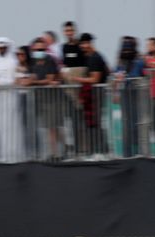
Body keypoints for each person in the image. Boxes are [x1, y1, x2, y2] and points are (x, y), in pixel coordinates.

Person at [71, 33, 109, 159]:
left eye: (85, 43)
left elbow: (95, 79)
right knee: (92, 124)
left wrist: (78, 79)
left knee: (95, 123)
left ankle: (101, 152)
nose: (83, 46)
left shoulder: (94, 58)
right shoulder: (92, 57)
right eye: (81, 44)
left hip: (96, 96)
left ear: (90, 43)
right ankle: (96, 151)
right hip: (93, 96)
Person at [0, 37, 25, 163]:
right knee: (0, 125)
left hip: (11, 95)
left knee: (12, 124)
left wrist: (3, 84)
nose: (1, 49)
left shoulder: (13, 61)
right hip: (0, 97)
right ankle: (3, 154)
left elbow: (15, 79)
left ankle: (13, 154)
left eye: (3, 47)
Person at [29, 38, 62, 160]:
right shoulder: (33, 62)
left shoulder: (50, 60)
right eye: (37, 49)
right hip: (40, 98)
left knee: (52, 127)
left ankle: (55, 153)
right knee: (48, 127)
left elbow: (49, 79)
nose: (39, 51)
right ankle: (57, 150)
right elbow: (31, 77)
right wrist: (32, 82)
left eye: (42, 49)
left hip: (51, 98)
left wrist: (34, 82)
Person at [113, 36, 144, 157]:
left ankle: (138, 151)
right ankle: (127, 153)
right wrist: (116, 93)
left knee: (137, 125)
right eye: (124, 48)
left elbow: (144, 76)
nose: (126, 51)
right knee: (126, 125)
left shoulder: (139, 62)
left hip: (137, 96)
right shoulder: (120, 64)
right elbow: (116, 78)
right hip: (125, 95)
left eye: (128, 48)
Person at [60, 21, 86, 158]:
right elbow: (64, 64)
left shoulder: (79, 46)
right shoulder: (64, 47)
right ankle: (74, 149)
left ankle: (84, 148)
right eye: (66, 31)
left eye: (71, 30)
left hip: (79, 87)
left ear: (74, 31)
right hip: (69, 89)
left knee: (81, 119)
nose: (69, 33)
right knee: (71, 120)